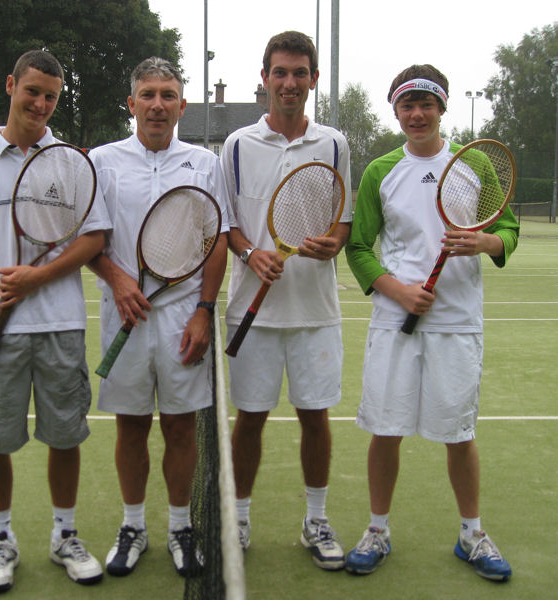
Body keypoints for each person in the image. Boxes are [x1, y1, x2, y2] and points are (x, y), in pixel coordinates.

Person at [0, 50, 109, 594]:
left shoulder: (72, 162)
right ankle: (0, 540)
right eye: (32, 90)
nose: (40, 103)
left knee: (64, 438)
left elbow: (93, 238)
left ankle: (64, 534)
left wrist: (39, 277)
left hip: (59, 325)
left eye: (51, 95)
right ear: (11, 85)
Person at [344, 64, 516, 582]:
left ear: (441, 109)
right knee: (385, 430)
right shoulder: (380, 171)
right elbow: (358, 247)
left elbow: (506, 231)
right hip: (394, 321)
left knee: (459, 434)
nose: (417, 114)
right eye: (407, 105)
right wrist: (396, 290)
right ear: (395, 111)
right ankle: (377, 529)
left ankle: (471, 533)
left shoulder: (476, 165)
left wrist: (485, 242)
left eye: (426, 104)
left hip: (458, 323)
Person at [88, 57, 229, 578]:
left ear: (182, 106)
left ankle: (178, 526)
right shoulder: (102, 161)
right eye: (148, 94)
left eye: (168, 95)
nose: (157, 104)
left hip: (181, 321)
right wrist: (117, 278)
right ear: (132, 103)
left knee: (180, 428)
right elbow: (89, 240)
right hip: (122, 312)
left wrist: (203, 310)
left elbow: (217, 242)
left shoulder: (204, 164)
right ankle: (132, 526)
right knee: (129, 428)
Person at [220, 31, 352, 571]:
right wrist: (251, 253)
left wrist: (331, 245)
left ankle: (315, 520)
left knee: (314, 417)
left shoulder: (336, 144)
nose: (290, 83)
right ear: (265, 77)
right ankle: (240, 517)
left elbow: (341, 223)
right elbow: (228, 226)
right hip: (253, 311)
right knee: (248, 419)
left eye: (300, 73)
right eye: (281, 72)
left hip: (315, 312)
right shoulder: (236, 145)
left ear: (314, 80)